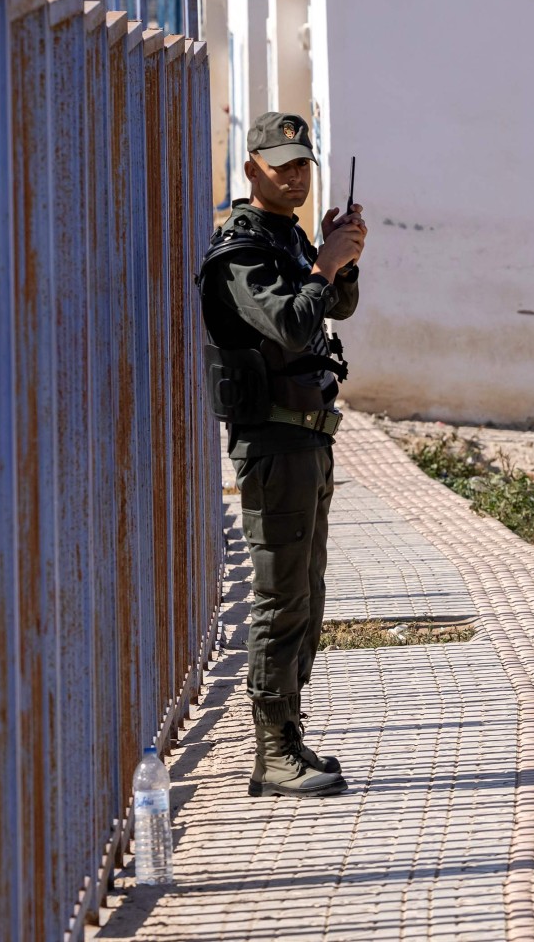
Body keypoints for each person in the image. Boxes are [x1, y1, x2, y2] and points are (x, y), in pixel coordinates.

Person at [198, 111, 366, 798]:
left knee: (306, 596)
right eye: (281, 166)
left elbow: (333, 310)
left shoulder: (286, 237)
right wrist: (324, 266)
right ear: (252, 170)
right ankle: (271, 753)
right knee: (279, 599)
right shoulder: (240, 252)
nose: (295, 177)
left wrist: (339, 261)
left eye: (302, 165)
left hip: (308, 436)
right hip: (272, 441)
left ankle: (289, 737)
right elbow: (293, 323)